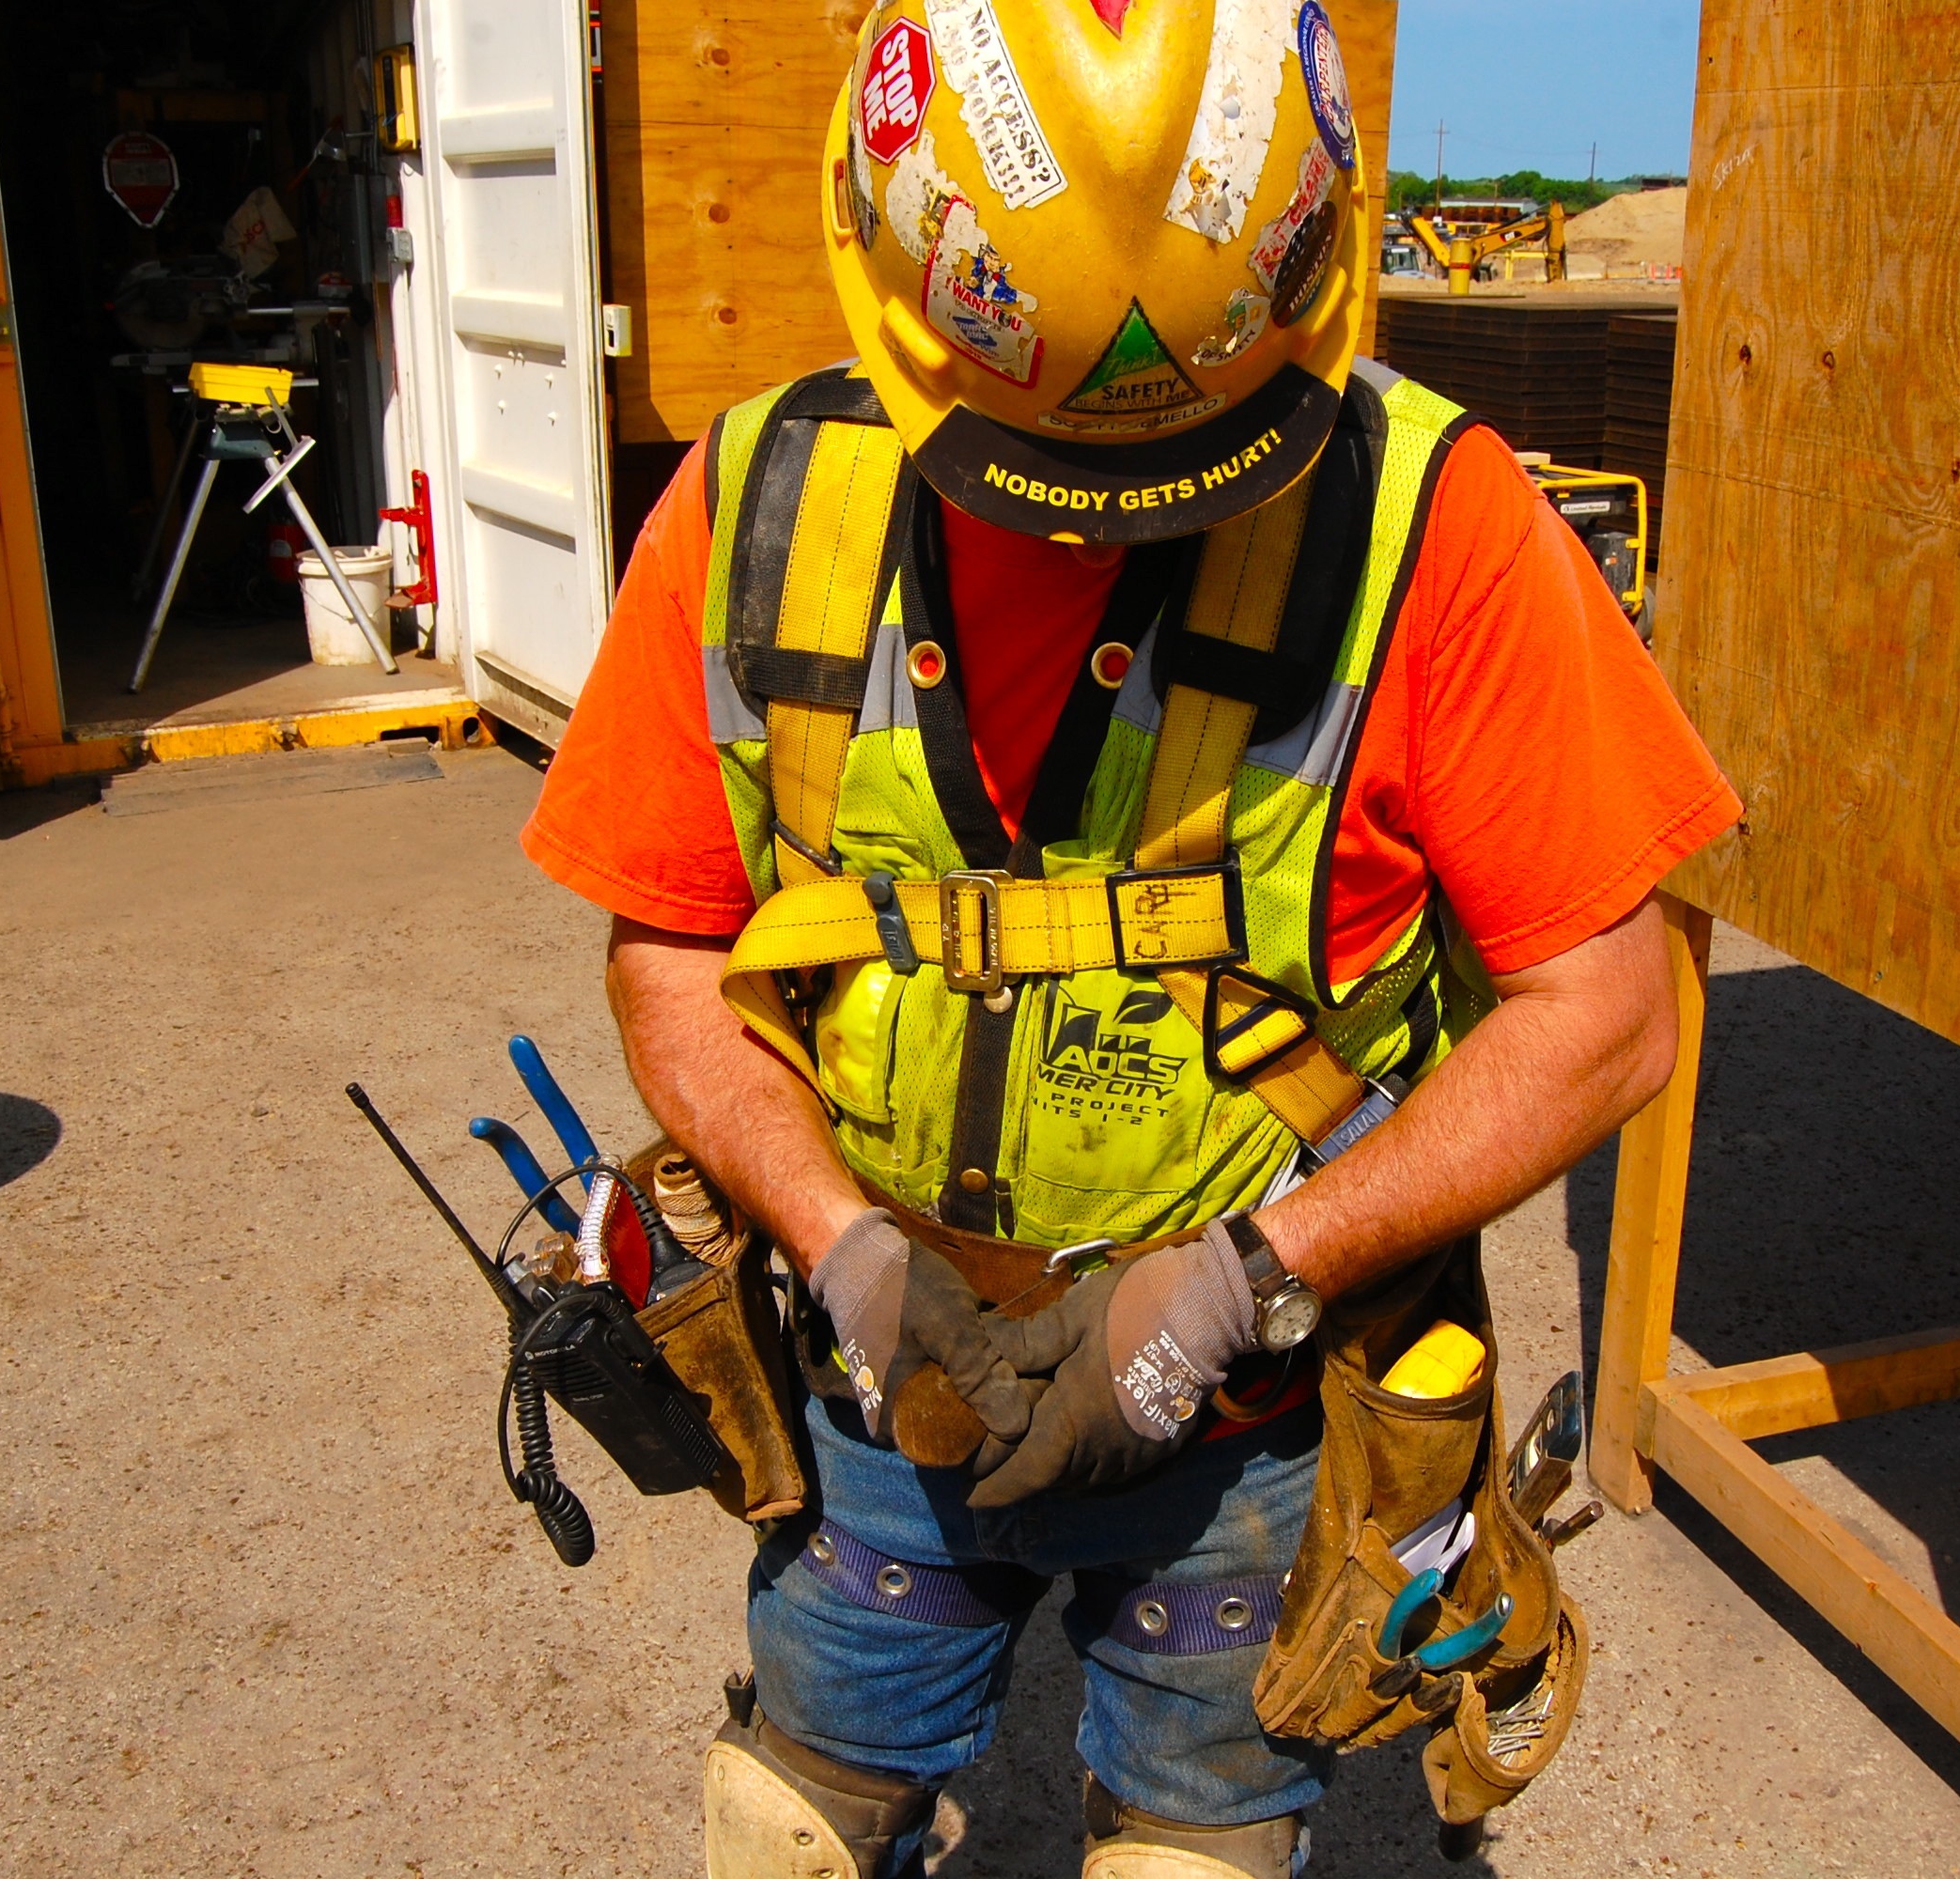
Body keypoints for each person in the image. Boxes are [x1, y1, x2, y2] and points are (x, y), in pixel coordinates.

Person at [521, 3, 1736, 1871]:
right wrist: (836, 1244)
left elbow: (1604, 1007)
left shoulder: (1443, 531)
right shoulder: (761, 505)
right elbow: (670, 946)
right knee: (778, 1820)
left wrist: (1247, 1278)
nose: (1089, 527)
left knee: (1198, 1854)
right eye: (1026, 462)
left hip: (1245, 1434)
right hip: (885, 1387)